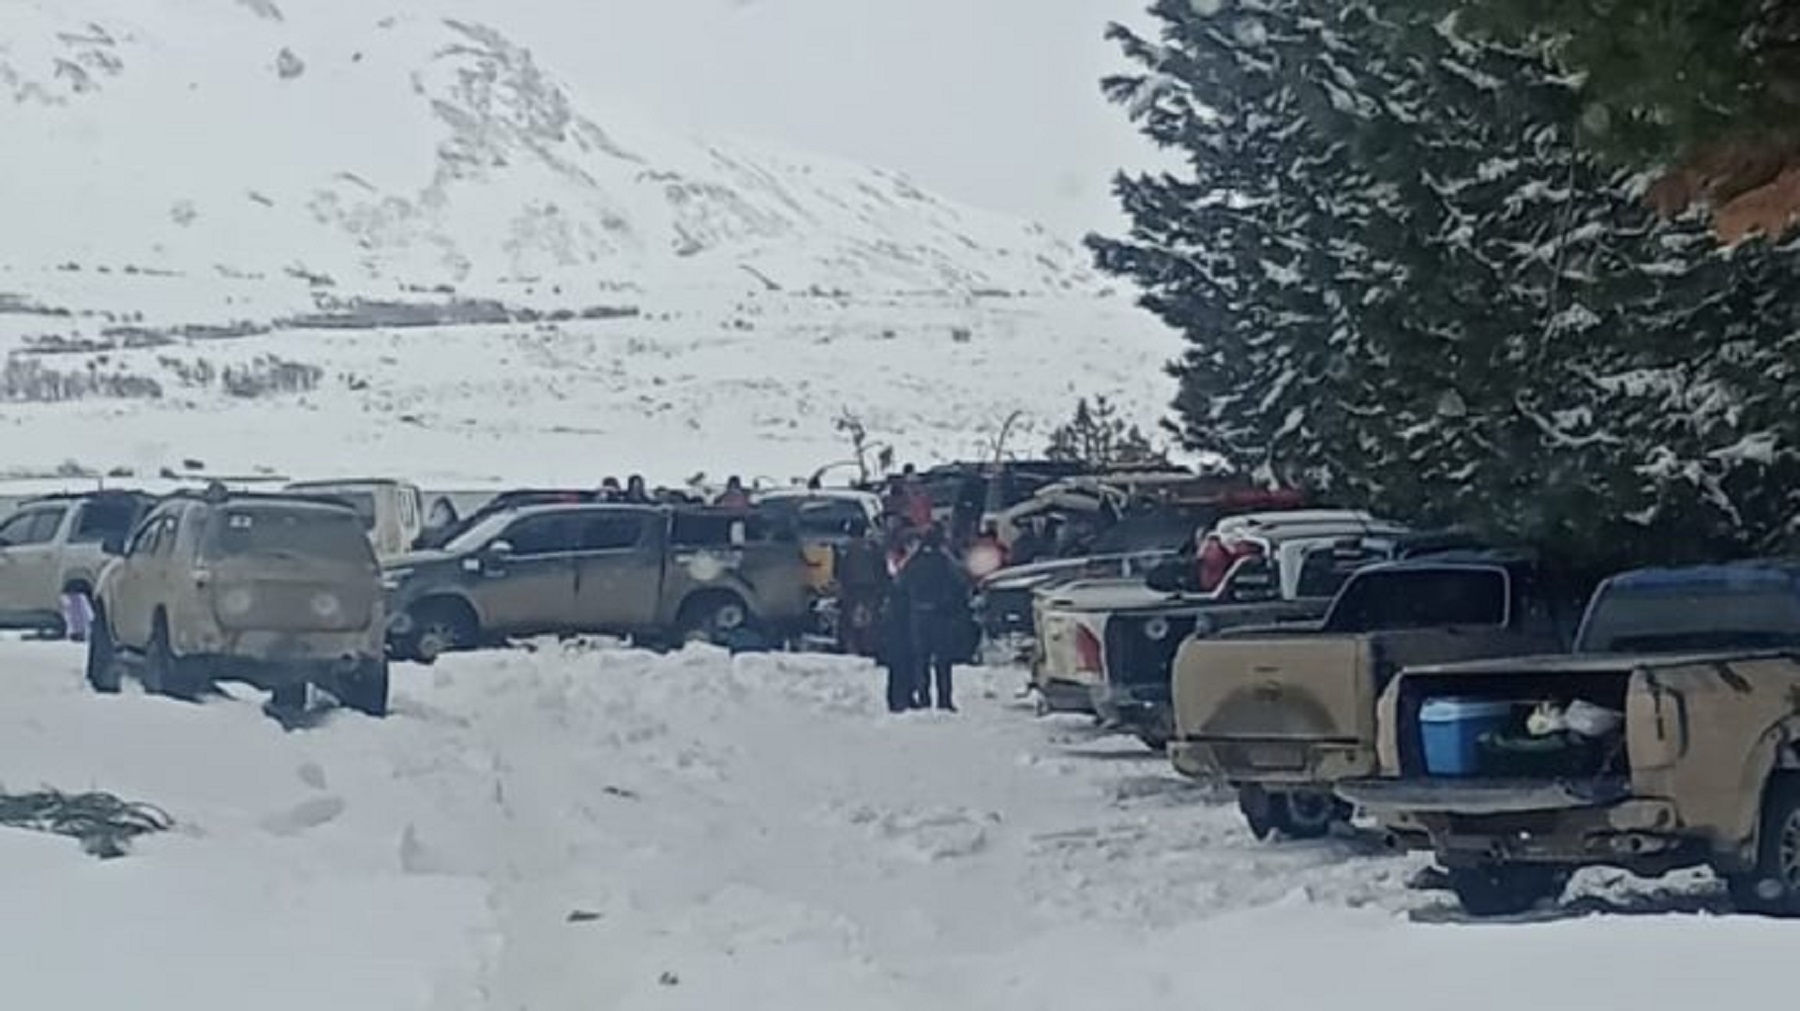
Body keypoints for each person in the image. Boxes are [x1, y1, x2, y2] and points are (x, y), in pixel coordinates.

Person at [896, 524, 964, 711]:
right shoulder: (944, 561)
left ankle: (924, 698)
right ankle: (944, 699)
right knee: (943, 661)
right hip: (941, 616)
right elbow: (960, 581)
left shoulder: (914, 561)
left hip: (918, 615)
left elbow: (900, 584)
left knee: (921, 660)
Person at [879, 532, 920, 712]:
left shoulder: (907, 566)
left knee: (906, 661)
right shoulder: (901, 567)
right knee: (901, 661)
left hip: (904, 619)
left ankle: (905, 695)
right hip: (900, 620)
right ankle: (898, 697)